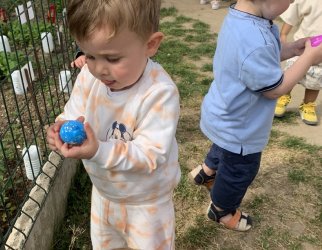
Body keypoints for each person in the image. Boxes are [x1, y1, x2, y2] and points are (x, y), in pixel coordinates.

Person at [47, 0, 181, 249]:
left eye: (112, 58)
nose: (100, 69)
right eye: (90, 55)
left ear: (150, 45)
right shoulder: (89, 76)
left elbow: (150, 155)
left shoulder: (159, 93)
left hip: (146, 203)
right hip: (104, 193)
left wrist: (98, 150)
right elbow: (73, 113)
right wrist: (61, 129)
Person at [189, 0, 322, 232]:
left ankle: (206, 171)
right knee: (239, 170)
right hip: (241, 126)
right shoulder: (255, 40)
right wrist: (308, 59)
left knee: (224, 147)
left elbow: (263, 55)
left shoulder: (243, 20)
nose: (292, 1)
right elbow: (276, 89)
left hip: (224, 113)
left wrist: (294, 49)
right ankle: (221, 209)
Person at [274, 0, 322, 125]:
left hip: (320, 53)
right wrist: (283, 34)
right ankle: (282, 96)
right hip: (301, 47)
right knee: (292, 75)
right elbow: (293, 13)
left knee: (315, 81)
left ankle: (308, 105)